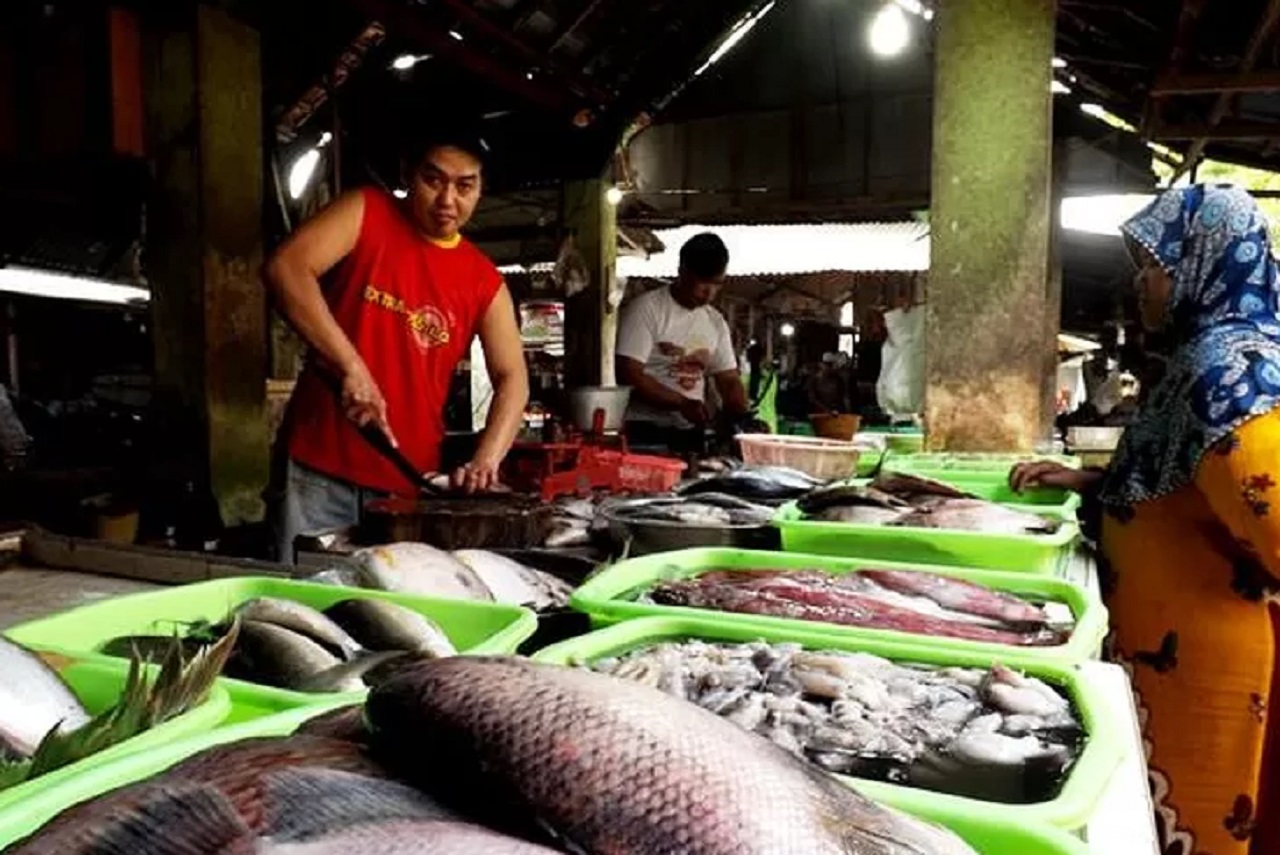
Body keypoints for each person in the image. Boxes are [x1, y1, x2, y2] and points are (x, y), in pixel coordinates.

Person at [1011, 185, 1280, 855]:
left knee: (1201, 826)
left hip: (1208, 672)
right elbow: (1186, 490)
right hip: (1166, 652)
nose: (1141, 281)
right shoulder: (1200, 359)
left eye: (1154, 262)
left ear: (1200, 260)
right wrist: (1096, 484)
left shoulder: (1232, 372)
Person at [264, 122, 528, 561]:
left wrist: (487, 459)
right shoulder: (366, 211)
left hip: (407, 483)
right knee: (303, 596)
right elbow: (286, 268)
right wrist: (352, 366)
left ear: (481, 190)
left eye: (465, 186)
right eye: (433, 180)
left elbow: (512, 376)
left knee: (385, 613)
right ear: (408, 174)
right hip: (319, 466)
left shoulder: (483, 278)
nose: (448, 200)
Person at [615, 232, 750, 449]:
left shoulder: (715, 321)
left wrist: (741, 417)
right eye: (703, 283)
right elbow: (629, 372)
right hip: (644, 430)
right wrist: (681, 403)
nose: (709, 293)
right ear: (682, 272)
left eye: (717, 284)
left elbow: (729, 379)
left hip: (691, 432)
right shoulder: (646, 309)